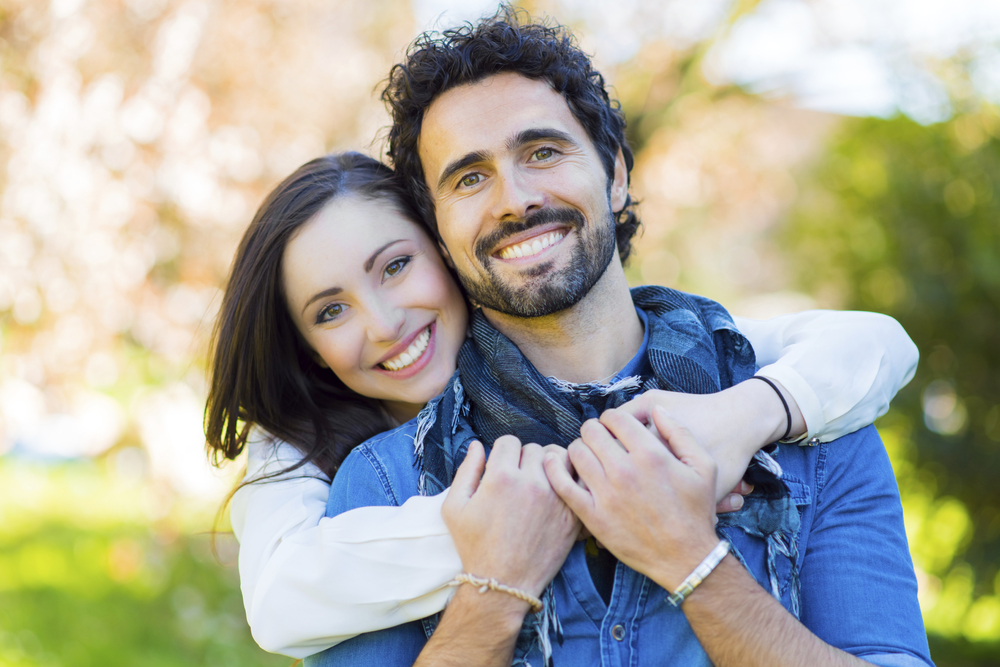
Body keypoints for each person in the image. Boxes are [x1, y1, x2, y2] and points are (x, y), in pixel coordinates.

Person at [305, 7, 933, 667]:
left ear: (616, 174)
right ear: (437, 231)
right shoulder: (387, 481)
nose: (513, 199)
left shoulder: (814, 433)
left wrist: (691, 561)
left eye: (542, 151)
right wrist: (493, 595)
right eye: (469, 178)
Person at [208, 152, 918, 660]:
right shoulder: (341, 471)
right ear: (307, 350)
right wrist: (526, 540)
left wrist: (748, 417)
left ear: (448, 249)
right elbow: (280, 603)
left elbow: (864, 341)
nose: (385, 321)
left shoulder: (711, 368)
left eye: (396, 265)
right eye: (331, 310)